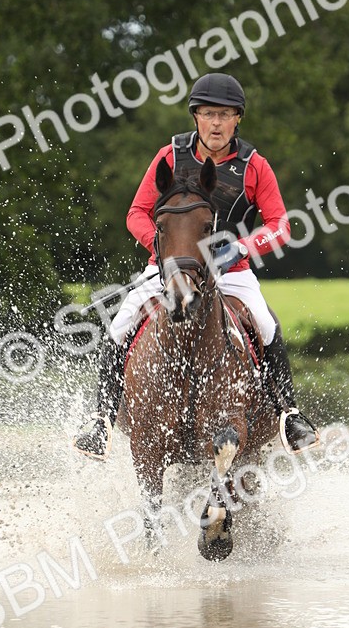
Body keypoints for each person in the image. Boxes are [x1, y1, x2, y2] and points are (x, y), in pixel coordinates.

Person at [73, 72, 318, 460]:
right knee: (121, 323)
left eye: (225, 115)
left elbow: (280, 226)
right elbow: (136, 213)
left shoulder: (254, 166)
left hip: (231, 273)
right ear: (196, 117)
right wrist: (163, 250)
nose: (216, 123)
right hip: (172, 271)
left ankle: (289, 414)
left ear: (237, 119)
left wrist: (241, 248)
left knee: (266, 323)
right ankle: (100, 419)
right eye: (208, 114)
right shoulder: (170, 156)